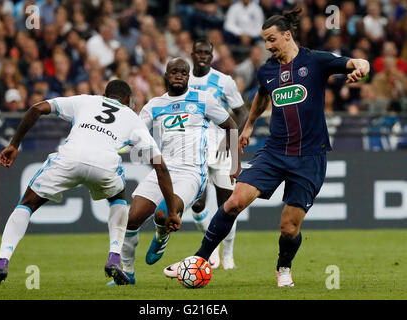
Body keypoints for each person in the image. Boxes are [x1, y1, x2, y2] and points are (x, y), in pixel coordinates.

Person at [167, 7, 370, 287]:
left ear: (287, 36)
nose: (267, 46)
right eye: (265, 40)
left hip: (309, 157)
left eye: (272, 39)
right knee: (234, 201)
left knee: (288, 227)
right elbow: (263, 95)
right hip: (274, 152)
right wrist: (249, 125)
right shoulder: (268, 70)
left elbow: (356, 61)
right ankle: (199, 259)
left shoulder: (316, 61)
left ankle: (283, 267)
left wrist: (362, 67)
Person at [0, 80, 179, 289]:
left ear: (105, 94)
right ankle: (114, 257)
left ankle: (2, 261)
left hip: (69, 159)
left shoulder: (85, 101)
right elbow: (160, 166)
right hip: (104, 165)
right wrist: (172, 210)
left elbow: (37, 108)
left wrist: (14, 145)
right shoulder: (132, 118)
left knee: (27, 204)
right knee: (118, 197)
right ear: (128, 100)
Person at [109, 58, 240, 285]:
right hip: (162, 171)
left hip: (191, 173)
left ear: (188, 77)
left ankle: (161, 236)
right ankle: (128, 273)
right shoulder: (154, 105)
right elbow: (134, 133)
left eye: (184, 72)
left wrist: (235, 162)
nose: (179, 75)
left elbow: (231, 127)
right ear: (166, 75)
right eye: (174, 72)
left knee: (162, 214)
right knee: (131, 220)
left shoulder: (203, 100)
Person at [179, 38, 247, 271]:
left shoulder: (223, 81)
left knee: (227, 204)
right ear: (192, 54)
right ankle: (213, 246)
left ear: (212, 55)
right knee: (196, 204)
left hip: (221, 148)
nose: (202, 56)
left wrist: (231, 139)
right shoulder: (181, 80)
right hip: (191, 148)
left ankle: (227, 253)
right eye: (198, 52)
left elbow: (241, 112)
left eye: (206, 53)